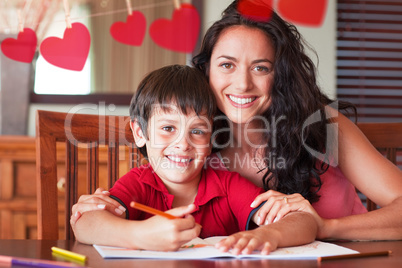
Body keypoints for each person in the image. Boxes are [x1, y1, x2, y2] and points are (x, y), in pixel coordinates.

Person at [72, 0, 402, 241]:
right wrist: (99, 212)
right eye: (227, 65)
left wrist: (328, 227)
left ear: (280, 76)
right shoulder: (195, 140)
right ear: (206, 70)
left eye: (261, 67)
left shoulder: (322, 126)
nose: (243, 84)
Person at [72, 64, 317, 254]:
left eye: (197, 131)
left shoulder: (228, 185)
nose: (183, 144)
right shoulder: (138, 183)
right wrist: (139, 235)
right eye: (168, 128)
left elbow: (305, 222)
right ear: (140, 133)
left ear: (212, 138)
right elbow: (85, 223)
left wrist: (269, 235)